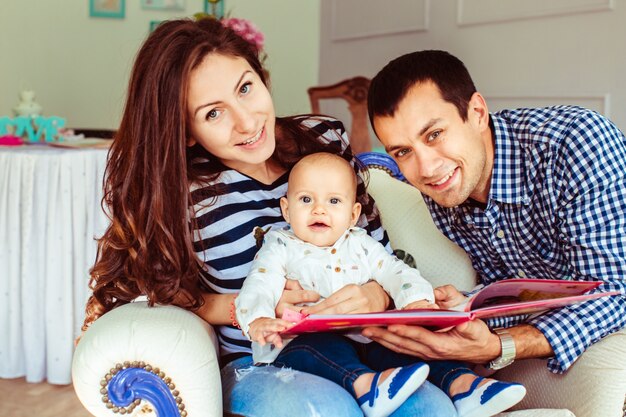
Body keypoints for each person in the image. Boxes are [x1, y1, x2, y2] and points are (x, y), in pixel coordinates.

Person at [81, 19, 458, 417]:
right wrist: (247, 308)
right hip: (261, 361)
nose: (246, 122)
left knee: (429, 407)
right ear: (187, 130)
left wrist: (376, 295)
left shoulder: (325, 139)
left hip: (362, 344)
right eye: (213, 114)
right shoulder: (183, 191)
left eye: (246, 88)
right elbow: (159, 290)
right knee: (325, 410)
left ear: (262, 78)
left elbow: (377, 250)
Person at [364, 49, 626, 377]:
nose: (427, 168)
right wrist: (464, 308)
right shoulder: (447, 181)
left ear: (476, 112)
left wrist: (501, 345)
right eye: (403, 151)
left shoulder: (576, 143)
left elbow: (615, 290)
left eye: (434, 135)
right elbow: (513, 286)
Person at [236, 151, 526, 417]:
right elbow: (261, 281)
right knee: (317, 348)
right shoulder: (281, 244)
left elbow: (395, 271)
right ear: (286, 210)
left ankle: (465, 386)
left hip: (365, 337)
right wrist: (258, 318)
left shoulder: (360, 243)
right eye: (306, 200)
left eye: (333, 201)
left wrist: (415, 301)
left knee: (402, 344)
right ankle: (365, 387)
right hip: (300, 345)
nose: (319, 210)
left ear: (352, 215)